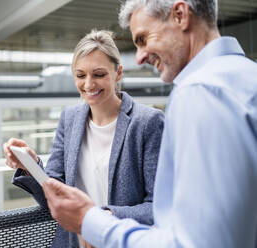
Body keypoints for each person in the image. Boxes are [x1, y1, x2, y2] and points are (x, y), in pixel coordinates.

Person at [42, 0, 257, 247]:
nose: (141, 56)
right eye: (80, 75)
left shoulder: (199, 92)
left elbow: (193, 242)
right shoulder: (247, 77)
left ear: (180, 15)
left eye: (143, 39)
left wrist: (93, 223)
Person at [3, 29, 164, 247]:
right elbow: (53, 195)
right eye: (80, 75)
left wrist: (102, 218)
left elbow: (158, 206)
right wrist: (31, 167)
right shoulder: (69, 119)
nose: (88, 85)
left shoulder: (148, 122)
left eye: (99, 74)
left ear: (118, 73)